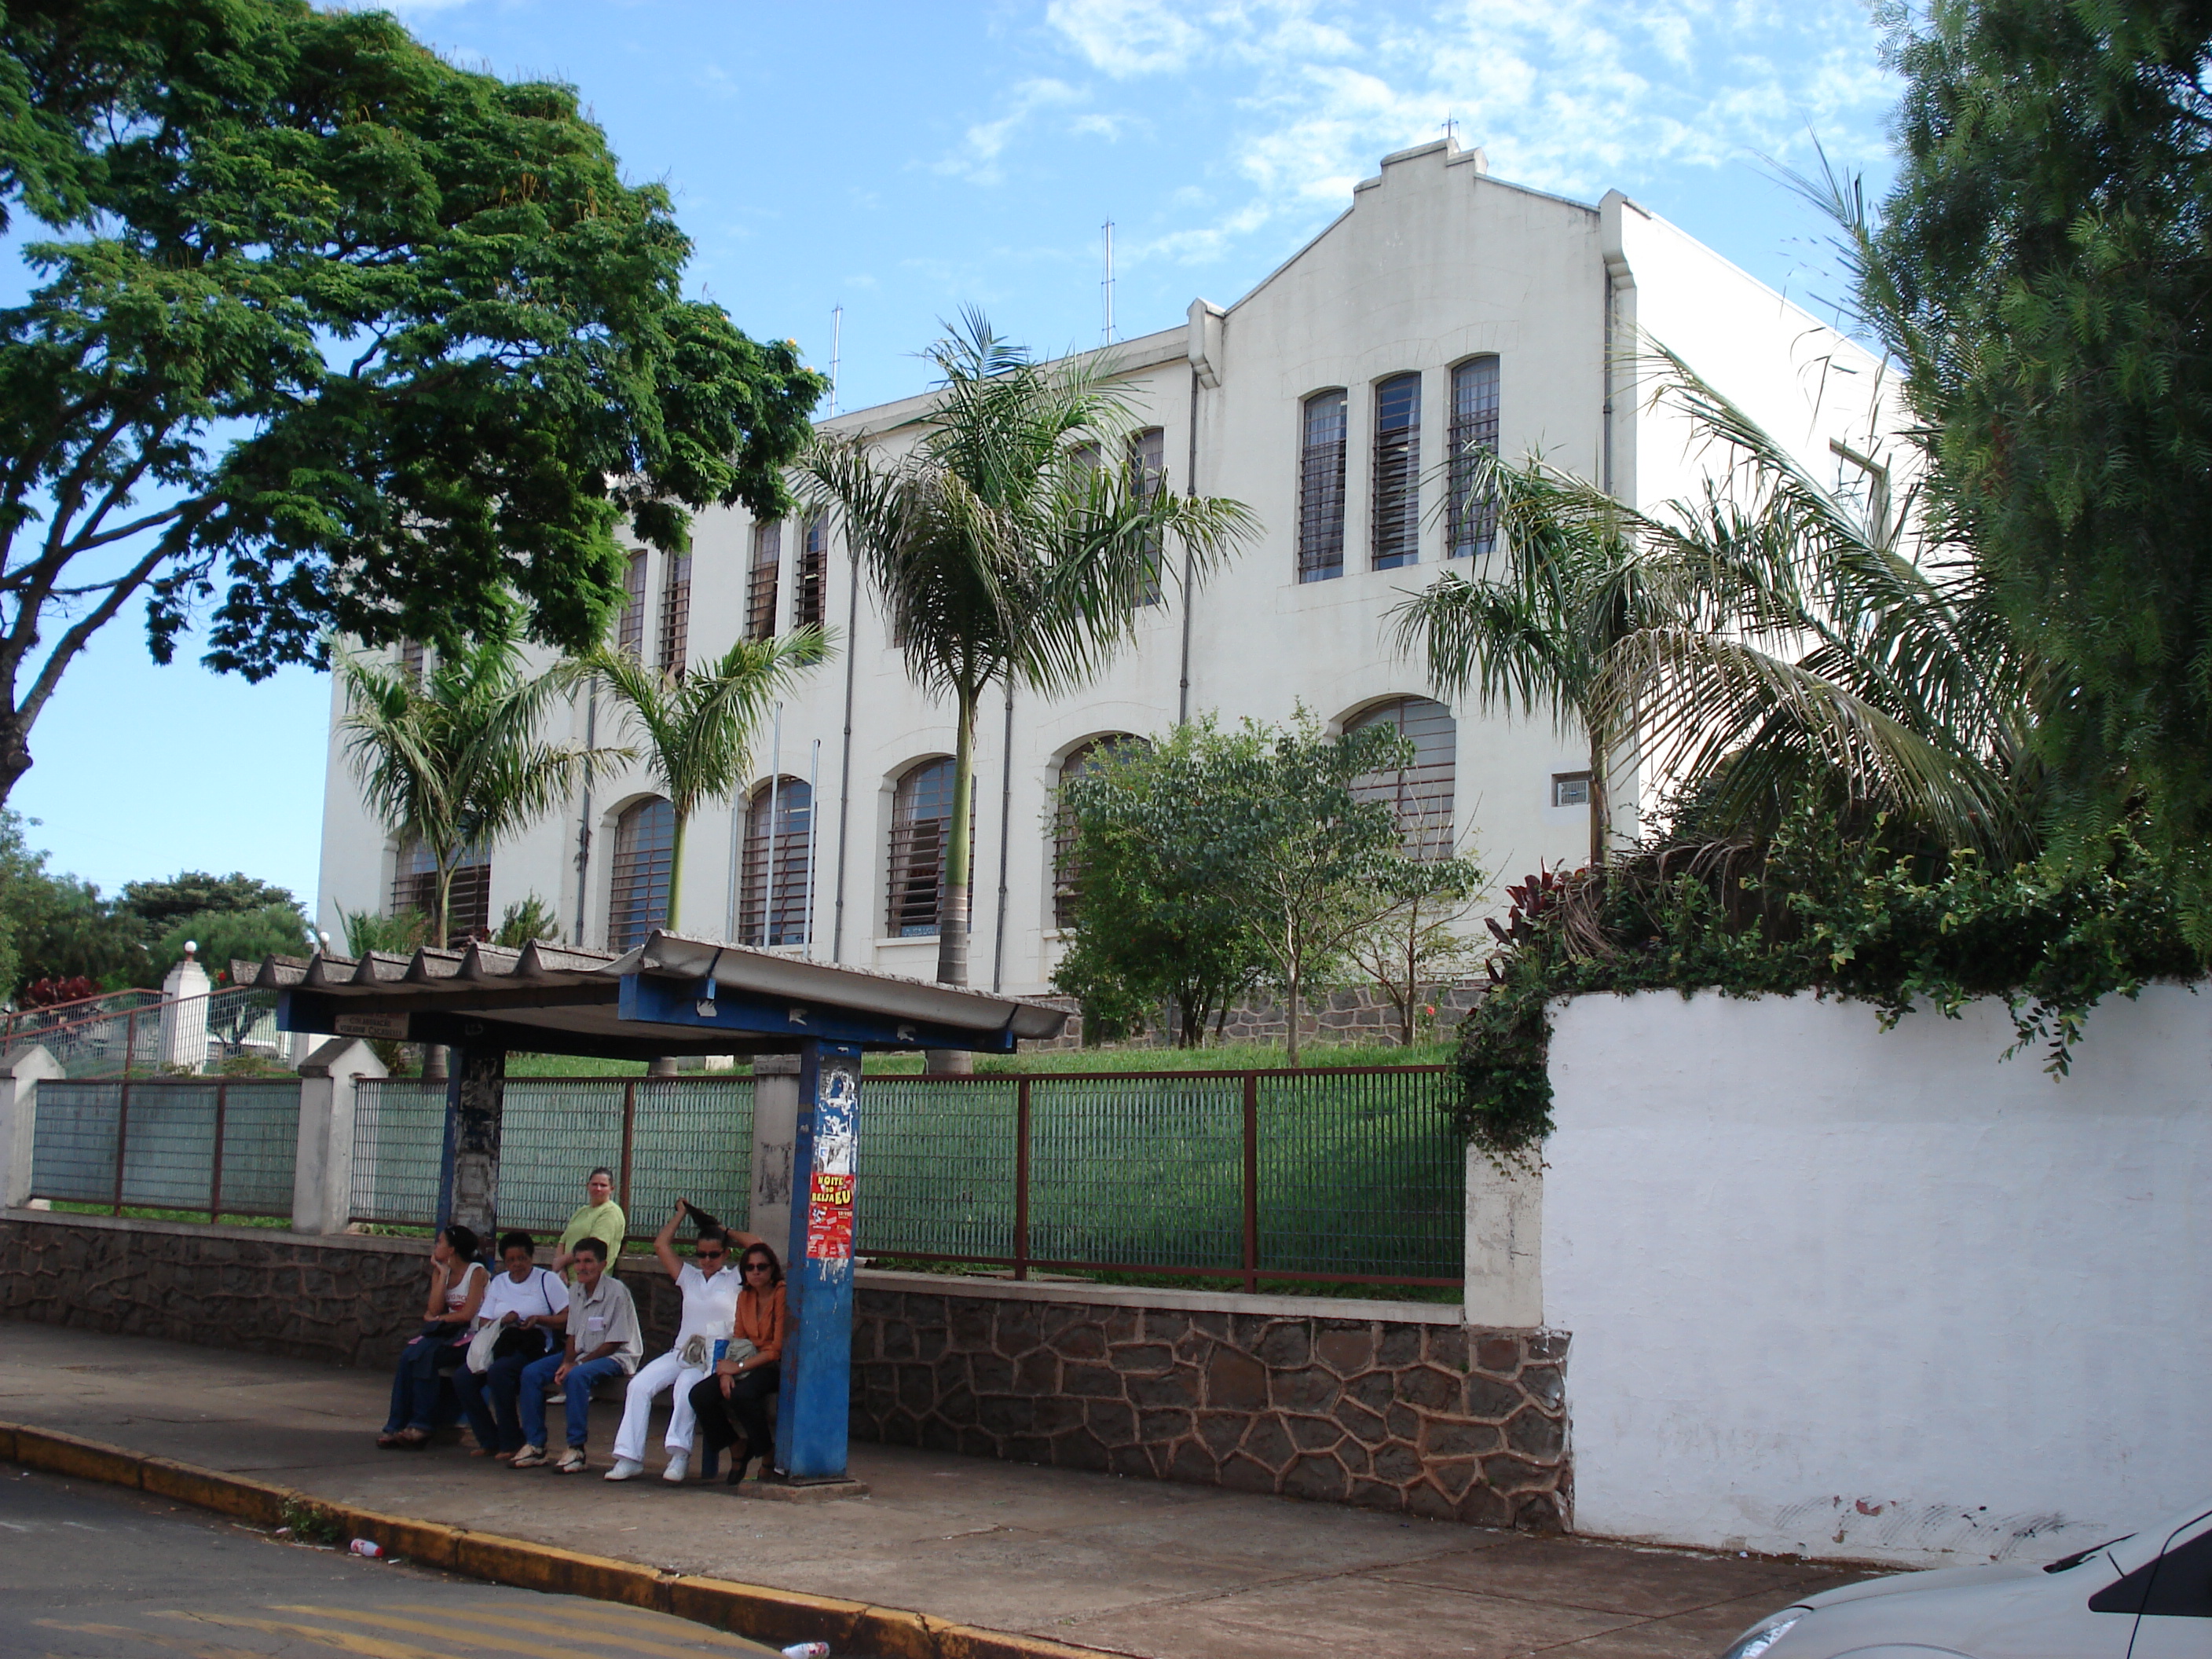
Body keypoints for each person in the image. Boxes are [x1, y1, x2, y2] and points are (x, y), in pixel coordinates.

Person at [606, 1199, 761, 1483]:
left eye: (713, 1255)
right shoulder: (689, 1277)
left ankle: (679, 1456)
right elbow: (661, 1245)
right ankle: (629, 1457)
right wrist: (681, 1215)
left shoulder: (735, 1279)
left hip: (712, 1357)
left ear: (726, 1254)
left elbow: (757, 1245)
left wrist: (724, 1230)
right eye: (701, 1254)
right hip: (682, 1352)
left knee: (685, 1388)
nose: (707, 1260)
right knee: (639, 1385)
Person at [512, 1236, 641, 1474]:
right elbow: (572, 1333)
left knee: (576, 1376)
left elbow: (614, 1343)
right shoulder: (575, 1290)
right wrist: (567, 1361)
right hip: (583, 1354)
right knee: (531, 1373)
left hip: (617, 1357)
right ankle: (535, 1445)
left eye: (588, 1261)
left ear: (603, 1265)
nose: (582, 1267)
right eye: (578, 1261)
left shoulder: (616, 1292)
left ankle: (576, 1449)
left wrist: (577, 1364)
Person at [453, 1230, 569, 1460]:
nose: (517, 1265)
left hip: (534, 1346)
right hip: (502, 1344)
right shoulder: (499, 1283)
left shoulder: (547, 1280)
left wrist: (540, 1320)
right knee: (463, 1378)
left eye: (522, 1258)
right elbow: (484, 1321)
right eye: (511, 1260)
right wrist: (504, 1320)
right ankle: (488, 1438)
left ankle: (512, 1440)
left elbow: (568, 1316)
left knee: (500, 1373)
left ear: (531, 1257)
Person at [687, 1238, 787, 1486]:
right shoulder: (745, 1296)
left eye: (761, 1267)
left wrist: (738, 1368)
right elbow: (739, 1338)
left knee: (743, 1395)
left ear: (772, 1269)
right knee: (701, 1395)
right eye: (750, 1268)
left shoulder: (781, 1293)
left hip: (773, 1365)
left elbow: (776, 1350)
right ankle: (736, 1446)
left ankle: (767, 1453)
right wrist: (726, 1372)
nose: (756, 1272)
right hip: (746, 1359)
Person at [376, 1223, 486, 1449]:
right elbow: (433, 1309)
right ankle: (396, 1425)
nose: (436, 1246)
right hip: (447, 1333)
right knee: (408, 1356)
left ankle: (421, 1425)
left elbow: (466, 1314)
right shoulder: (441, 1271)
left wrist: (438, 1319)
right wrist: (442, 1275)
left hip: (473, 1336)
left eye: (440, 1242)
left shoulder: (477, 1272)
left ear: (452, 1249)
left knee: (426, 1356)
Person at [552, 1167, 627, 1280]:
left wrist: (561, 1261)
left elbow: (594, 1247)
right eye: (594, 1184)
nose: (598, 1188)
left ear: (611, 1189)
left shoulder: (611, 1212)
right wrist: (561, 1270)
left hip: (591, 1281)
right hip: (567, 1281)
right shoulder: (581, 1211)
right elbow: (562, 1242)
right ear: (588, 1186)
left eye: (603, 1185)